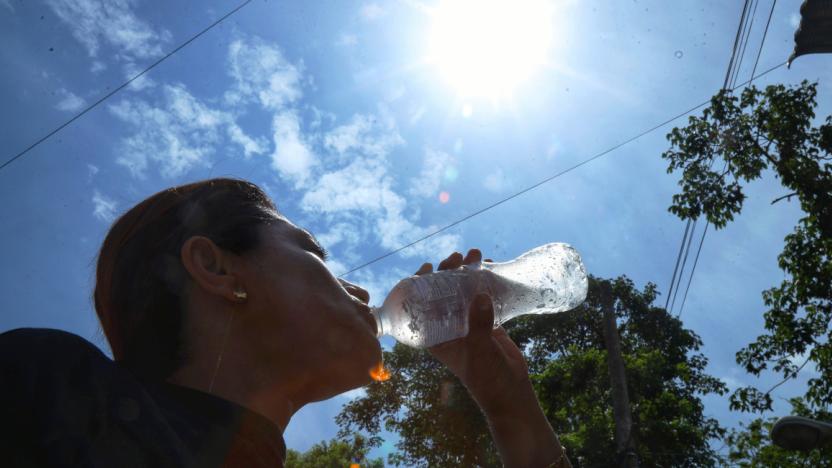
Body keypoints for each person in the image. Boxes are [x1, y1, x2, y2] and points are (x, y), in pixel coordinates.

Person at [0, 178, 570, 467]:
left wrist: (509, 405)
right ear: (216, 268)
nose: (362, 290)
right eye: (314, 252)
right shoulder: (50, 390)